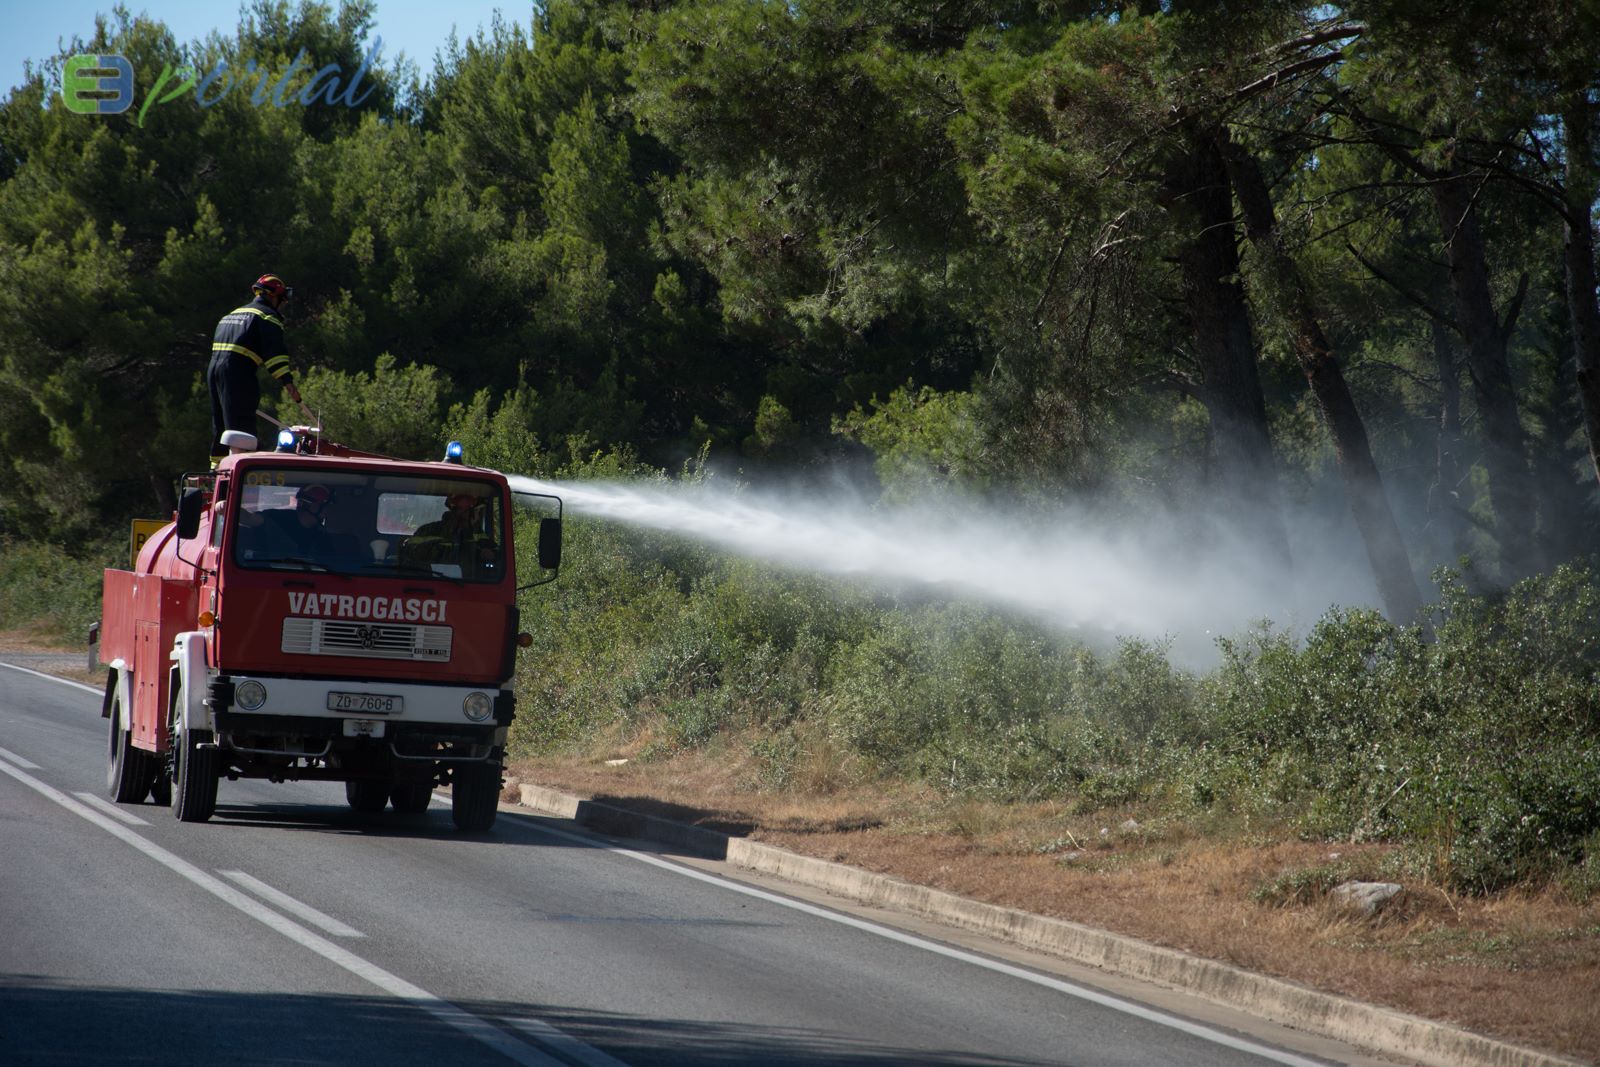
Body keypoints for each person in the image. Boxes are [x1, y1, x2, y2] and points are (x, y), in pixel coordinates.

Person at [209, 273, 303, 464]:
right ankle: (241, 469)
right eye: (281, 300)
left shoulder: (232, 314)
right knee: (241, 428)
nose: (282, 305)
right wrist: (287, 382)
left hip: (214, 372)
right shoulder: (267, 317)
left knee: (221, 425)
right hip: (238, 374)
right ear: (272, 296)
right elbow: (275, 353)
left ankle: (216, 472)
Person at [402, 493, 497, 576]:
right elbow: (410, 555)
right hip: (430, 582)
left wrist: (491, 554)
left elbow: (498, 556)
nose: (476, 515)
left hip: (468, 587)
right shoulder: (428, 530)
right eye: (474, 511)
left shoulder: (478, 534)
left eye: (477, 511)